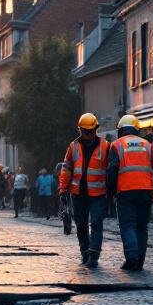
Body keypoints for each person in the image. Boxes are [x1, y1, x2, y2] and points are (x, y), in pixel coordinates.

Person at [107, 115, 153, 271]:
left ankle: (132, 257)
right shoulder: (148, 145)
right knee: (141, 227)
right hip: (146, 191)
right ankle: (140, 261)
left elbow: (112, 170)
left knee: (127, 225)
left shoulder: (117, 145)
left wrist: (110, 191)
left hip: (125, 190)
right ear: (137, 130)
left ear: (121, 130)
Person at [60, 113, 108, 267]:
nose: (86, 135)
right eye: (84, 131)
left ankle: (94, 254)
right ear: (79, 130)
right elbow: (66, 168)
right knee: (80, 224)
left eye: (89, 131)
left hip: (98, 193)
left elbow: (111, 168)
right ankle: (84, 251)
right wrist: (63, 189)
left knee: (96, 223)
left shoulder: (106, 146)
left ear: (96, 129)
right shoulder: (73, 146)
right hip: (78, 193)